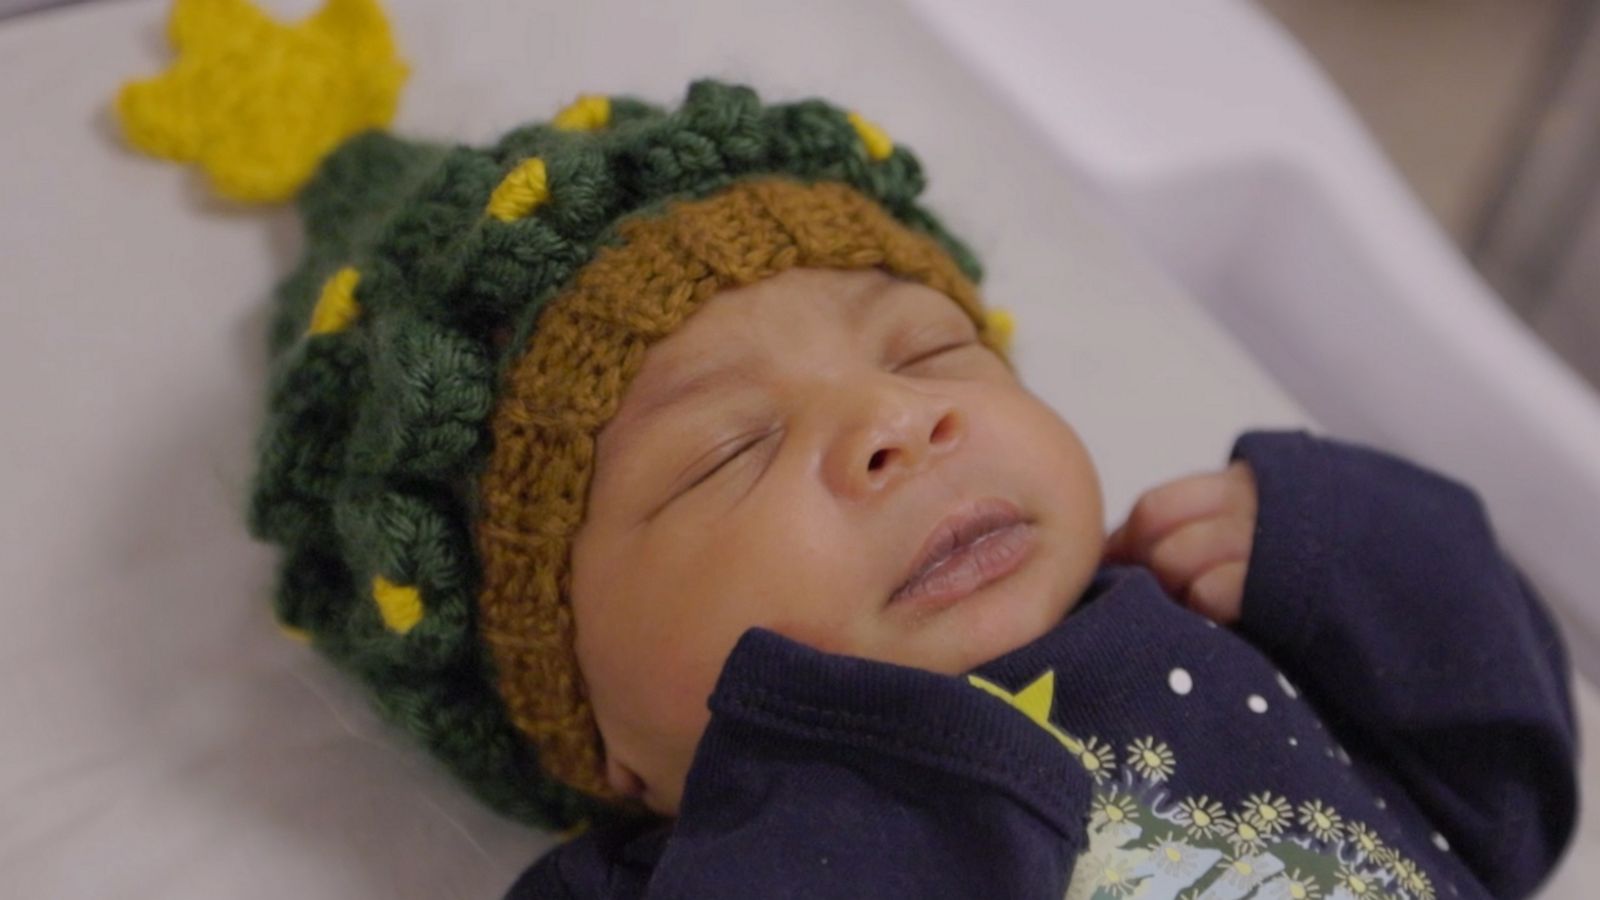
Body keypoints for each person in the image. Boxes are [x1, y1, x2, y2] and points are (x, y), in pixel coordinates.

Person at [246, 79, 1577, 899]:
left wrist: (1351, 556)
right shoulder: (719, 863)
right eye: (727, 452)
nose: (899, 420)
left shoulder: (1211, 631)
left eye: (933, 348)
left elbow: (1506, 801)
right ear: (598, 744)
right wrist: (861, 797)